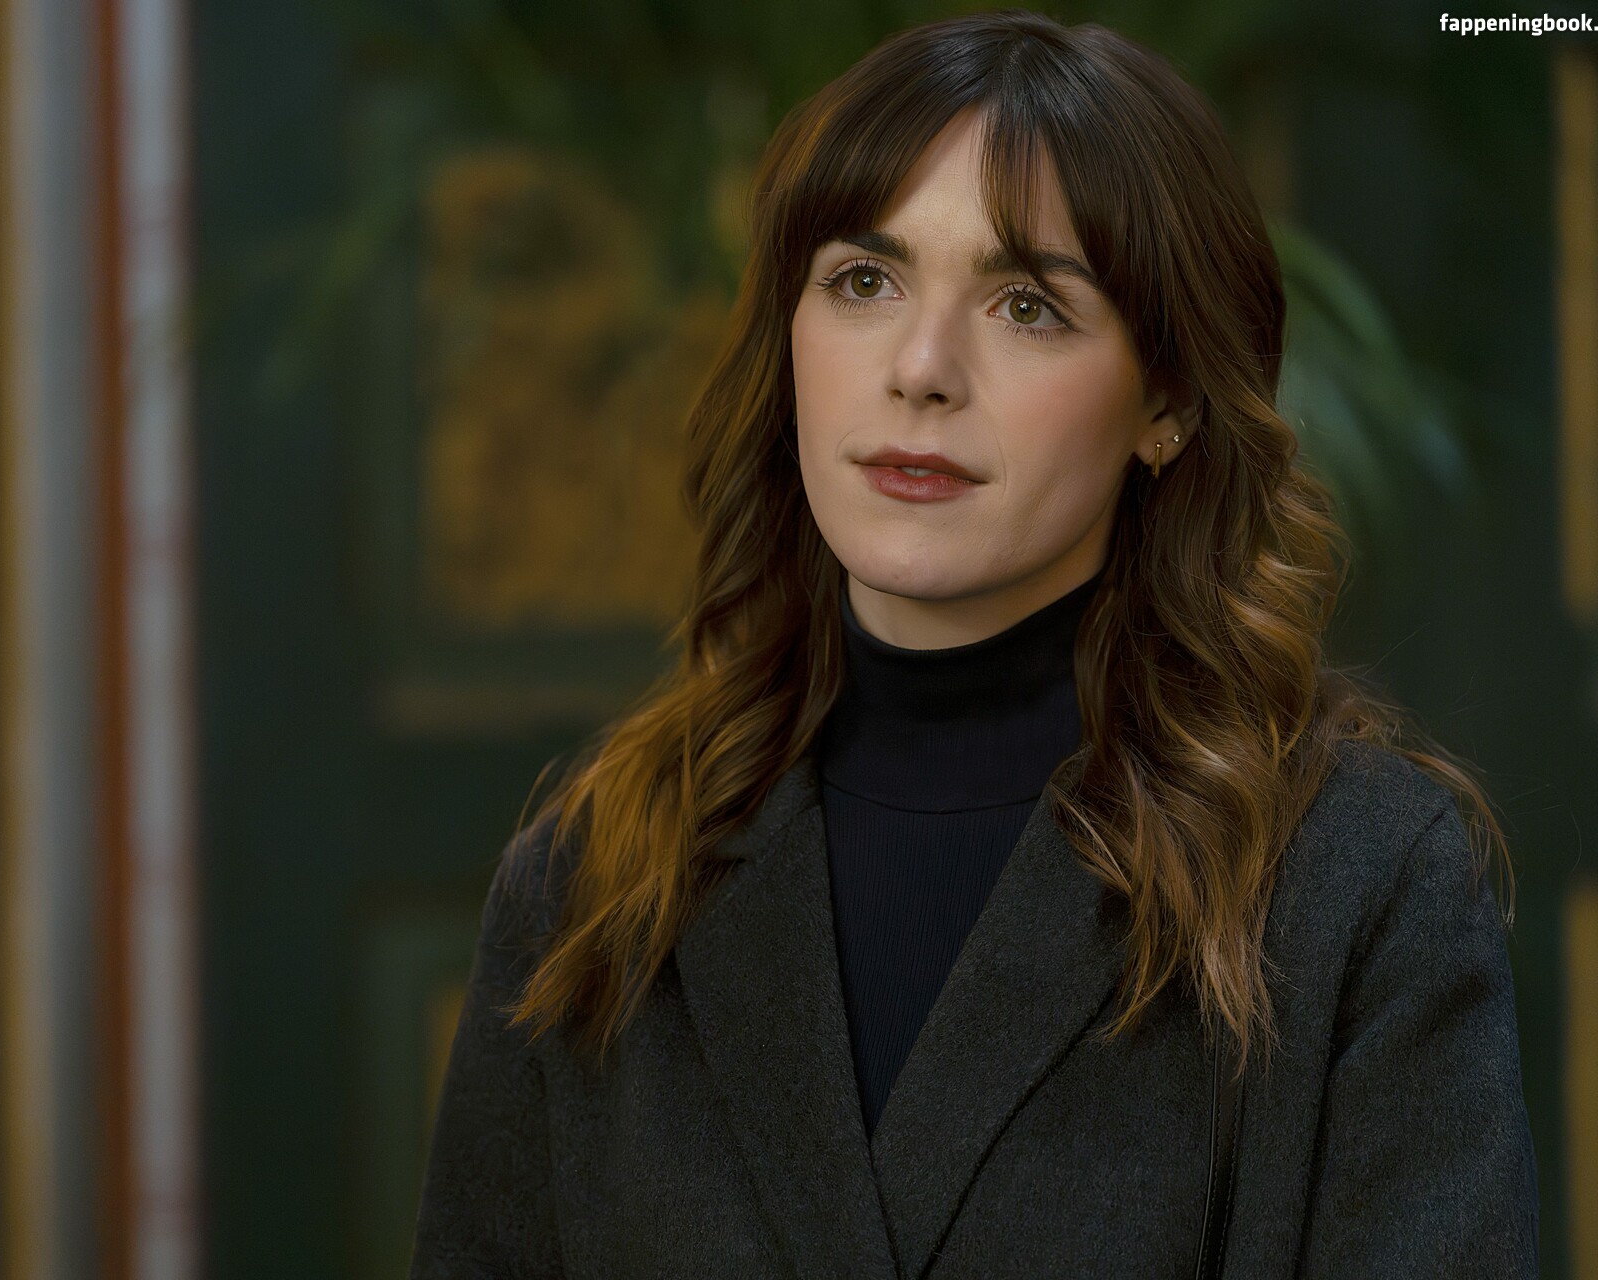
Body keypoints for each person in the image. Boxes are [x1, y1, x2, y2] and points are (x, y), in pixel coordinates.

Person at [408, 10, 1539, 1278]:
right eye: (864, 281)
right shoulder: (594, 876)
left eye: (1027, 305)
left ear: (1167, 399)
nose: (922, 368)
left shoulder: (1360, 885)